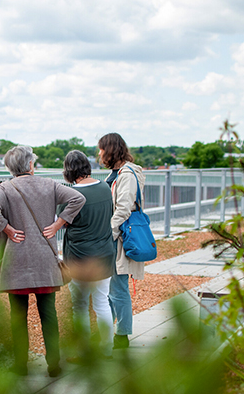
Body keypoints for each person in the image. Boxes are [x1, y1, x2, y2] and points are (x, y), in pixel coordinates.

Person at [0, 145, 86, 377]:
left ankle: (20, 366)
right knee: (48, 314)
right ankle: (54, 365)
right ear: (30, 165)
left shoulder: (6, 188)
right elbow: (77, 198)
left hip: (16, 260)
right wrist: (59, 223)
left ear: (10, 167)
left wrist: (7, 228)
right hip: (44, 259)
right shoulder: (49, 185)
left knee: (17, 317)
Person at [61, 150, 116, 360]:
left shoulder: (71, 194)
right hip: (104, 254)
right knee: (102, 302)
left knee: (80, 306)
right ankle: (107, 349)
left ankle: (83, 352)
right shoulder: (105, 187)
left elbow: (63, 222)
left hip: (79, 257)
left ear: (68, 170)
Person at [98, 133, 146, 350]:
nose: (99, 154)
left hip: (118, 236)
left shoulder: (126, 174)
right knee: (113, 287)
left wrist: (109, 232)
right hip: (117, 235)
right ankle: (110, 332)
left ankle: (121, 335)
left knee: (117, 287)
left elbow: (124, 208)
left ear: (110, 150)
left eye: (101, 149)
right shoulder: (120, 172)